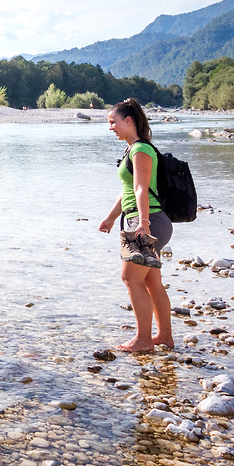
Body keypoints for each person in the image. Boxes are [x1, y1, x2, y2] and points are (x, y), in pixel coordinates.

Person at [98, 98, 174, 353]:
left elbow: (141, 189)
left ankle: (143, 340)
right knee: (151, 281)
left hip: (145, 219)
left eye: (113, 122)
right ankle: (164, 337)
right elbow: (130, 190)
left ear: (128, 121)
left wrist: (142, 223)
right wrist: (110, 218)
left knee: (130, 277)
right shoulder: (135, 149)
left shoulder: (140, 149)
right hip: (147, 218)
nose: (111, 128)